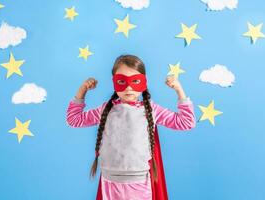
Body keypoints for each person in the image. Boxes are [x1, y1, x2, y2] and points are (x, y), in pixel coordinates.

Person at [66, 55, 196, 200]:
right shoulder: (105, 110)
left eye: (135, 81)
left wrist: (179, 90)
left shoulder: (152, 110)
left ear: (144, 82)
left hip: (138, 182)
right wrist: (82, 90)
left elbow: (186, 122)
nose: (128, 87)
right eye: (122, 81)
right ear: (114, 82)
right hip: (110, 180)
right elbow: (74, 119)